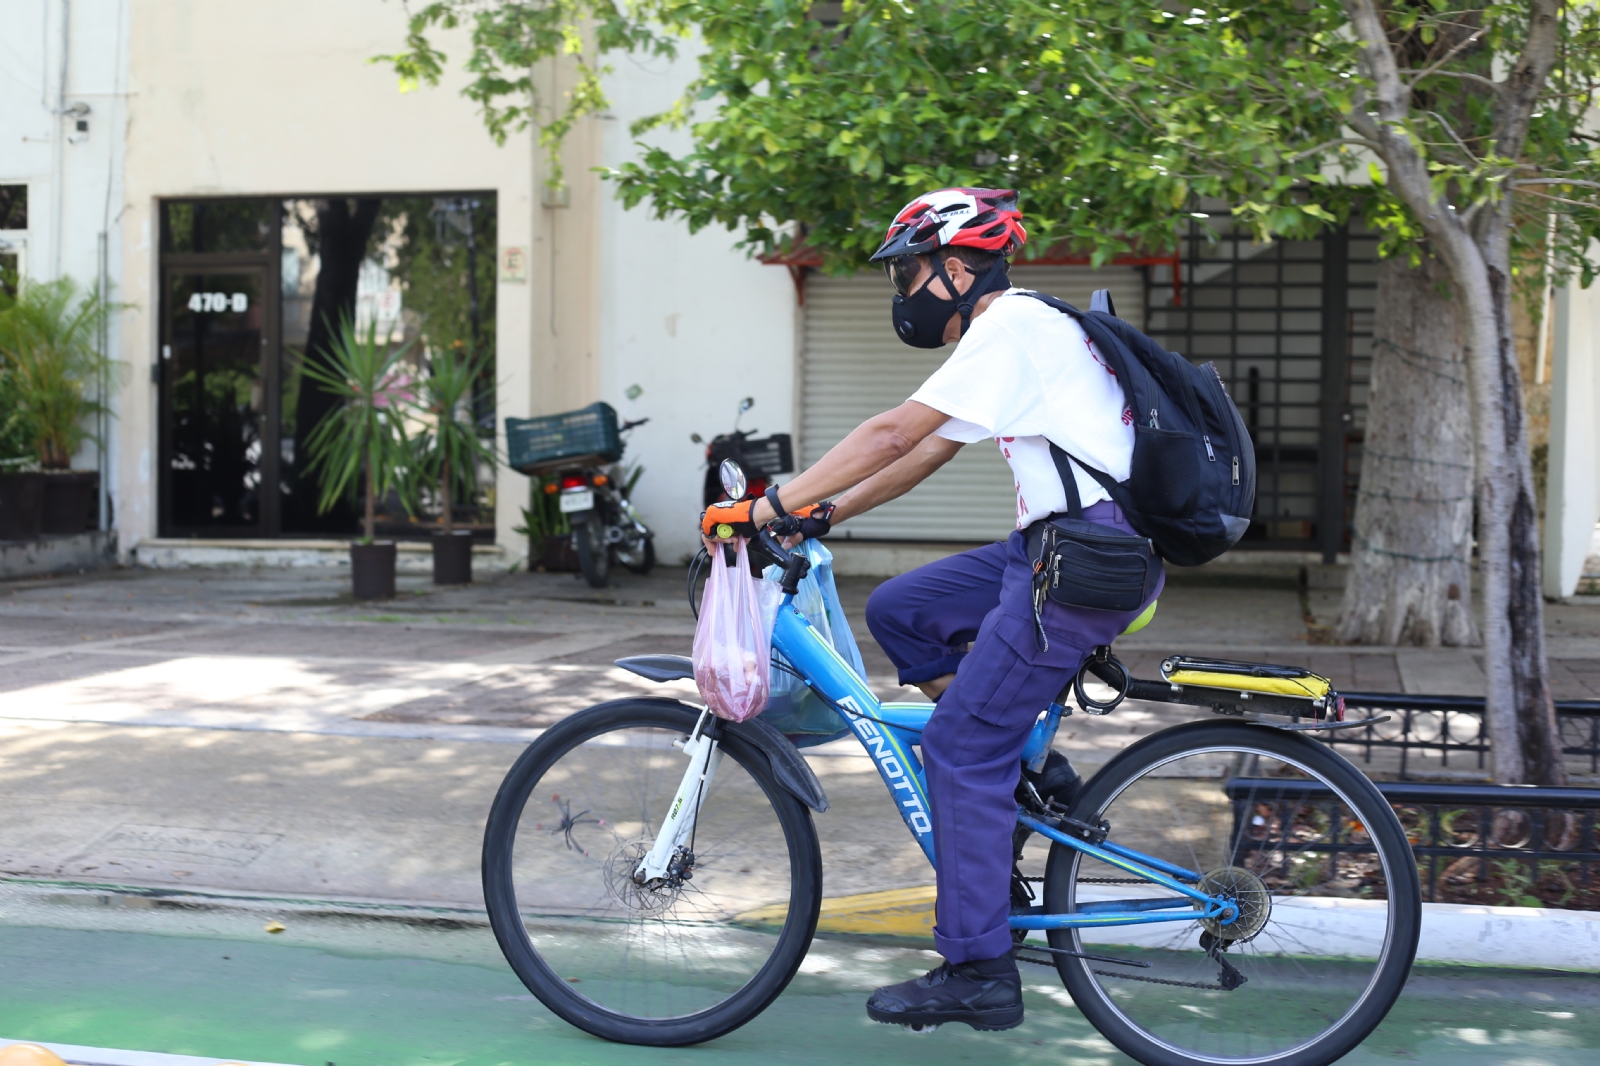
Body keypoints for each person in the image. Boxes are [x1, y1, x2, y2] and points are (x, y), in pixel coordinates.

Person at [699, 187, 1164, 1033]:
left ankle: (978, 970)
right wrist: (818, 515)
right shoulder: (1013, 332)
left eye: (908, 270)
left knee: (958, 746)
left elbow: (890, 434)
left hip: (1083, 562)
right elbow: (924, 455)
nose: (902, 288)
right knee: (908, 608)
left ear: (956, 269)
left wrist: (766, 507)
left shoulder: (1013, 326)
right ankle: (1029, 779)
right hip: (1057, 550)